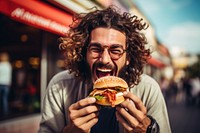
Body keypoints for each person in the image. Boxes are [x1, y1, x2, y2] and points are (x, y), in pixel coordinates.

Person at [38, 6, 171, 133]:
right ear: (84, 53)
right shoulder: (60, 85)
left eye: (115, 50)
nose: (105, 59)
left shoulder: (148, 89)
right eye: (96, 49)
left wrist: (148, 129)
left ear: (128, 57)